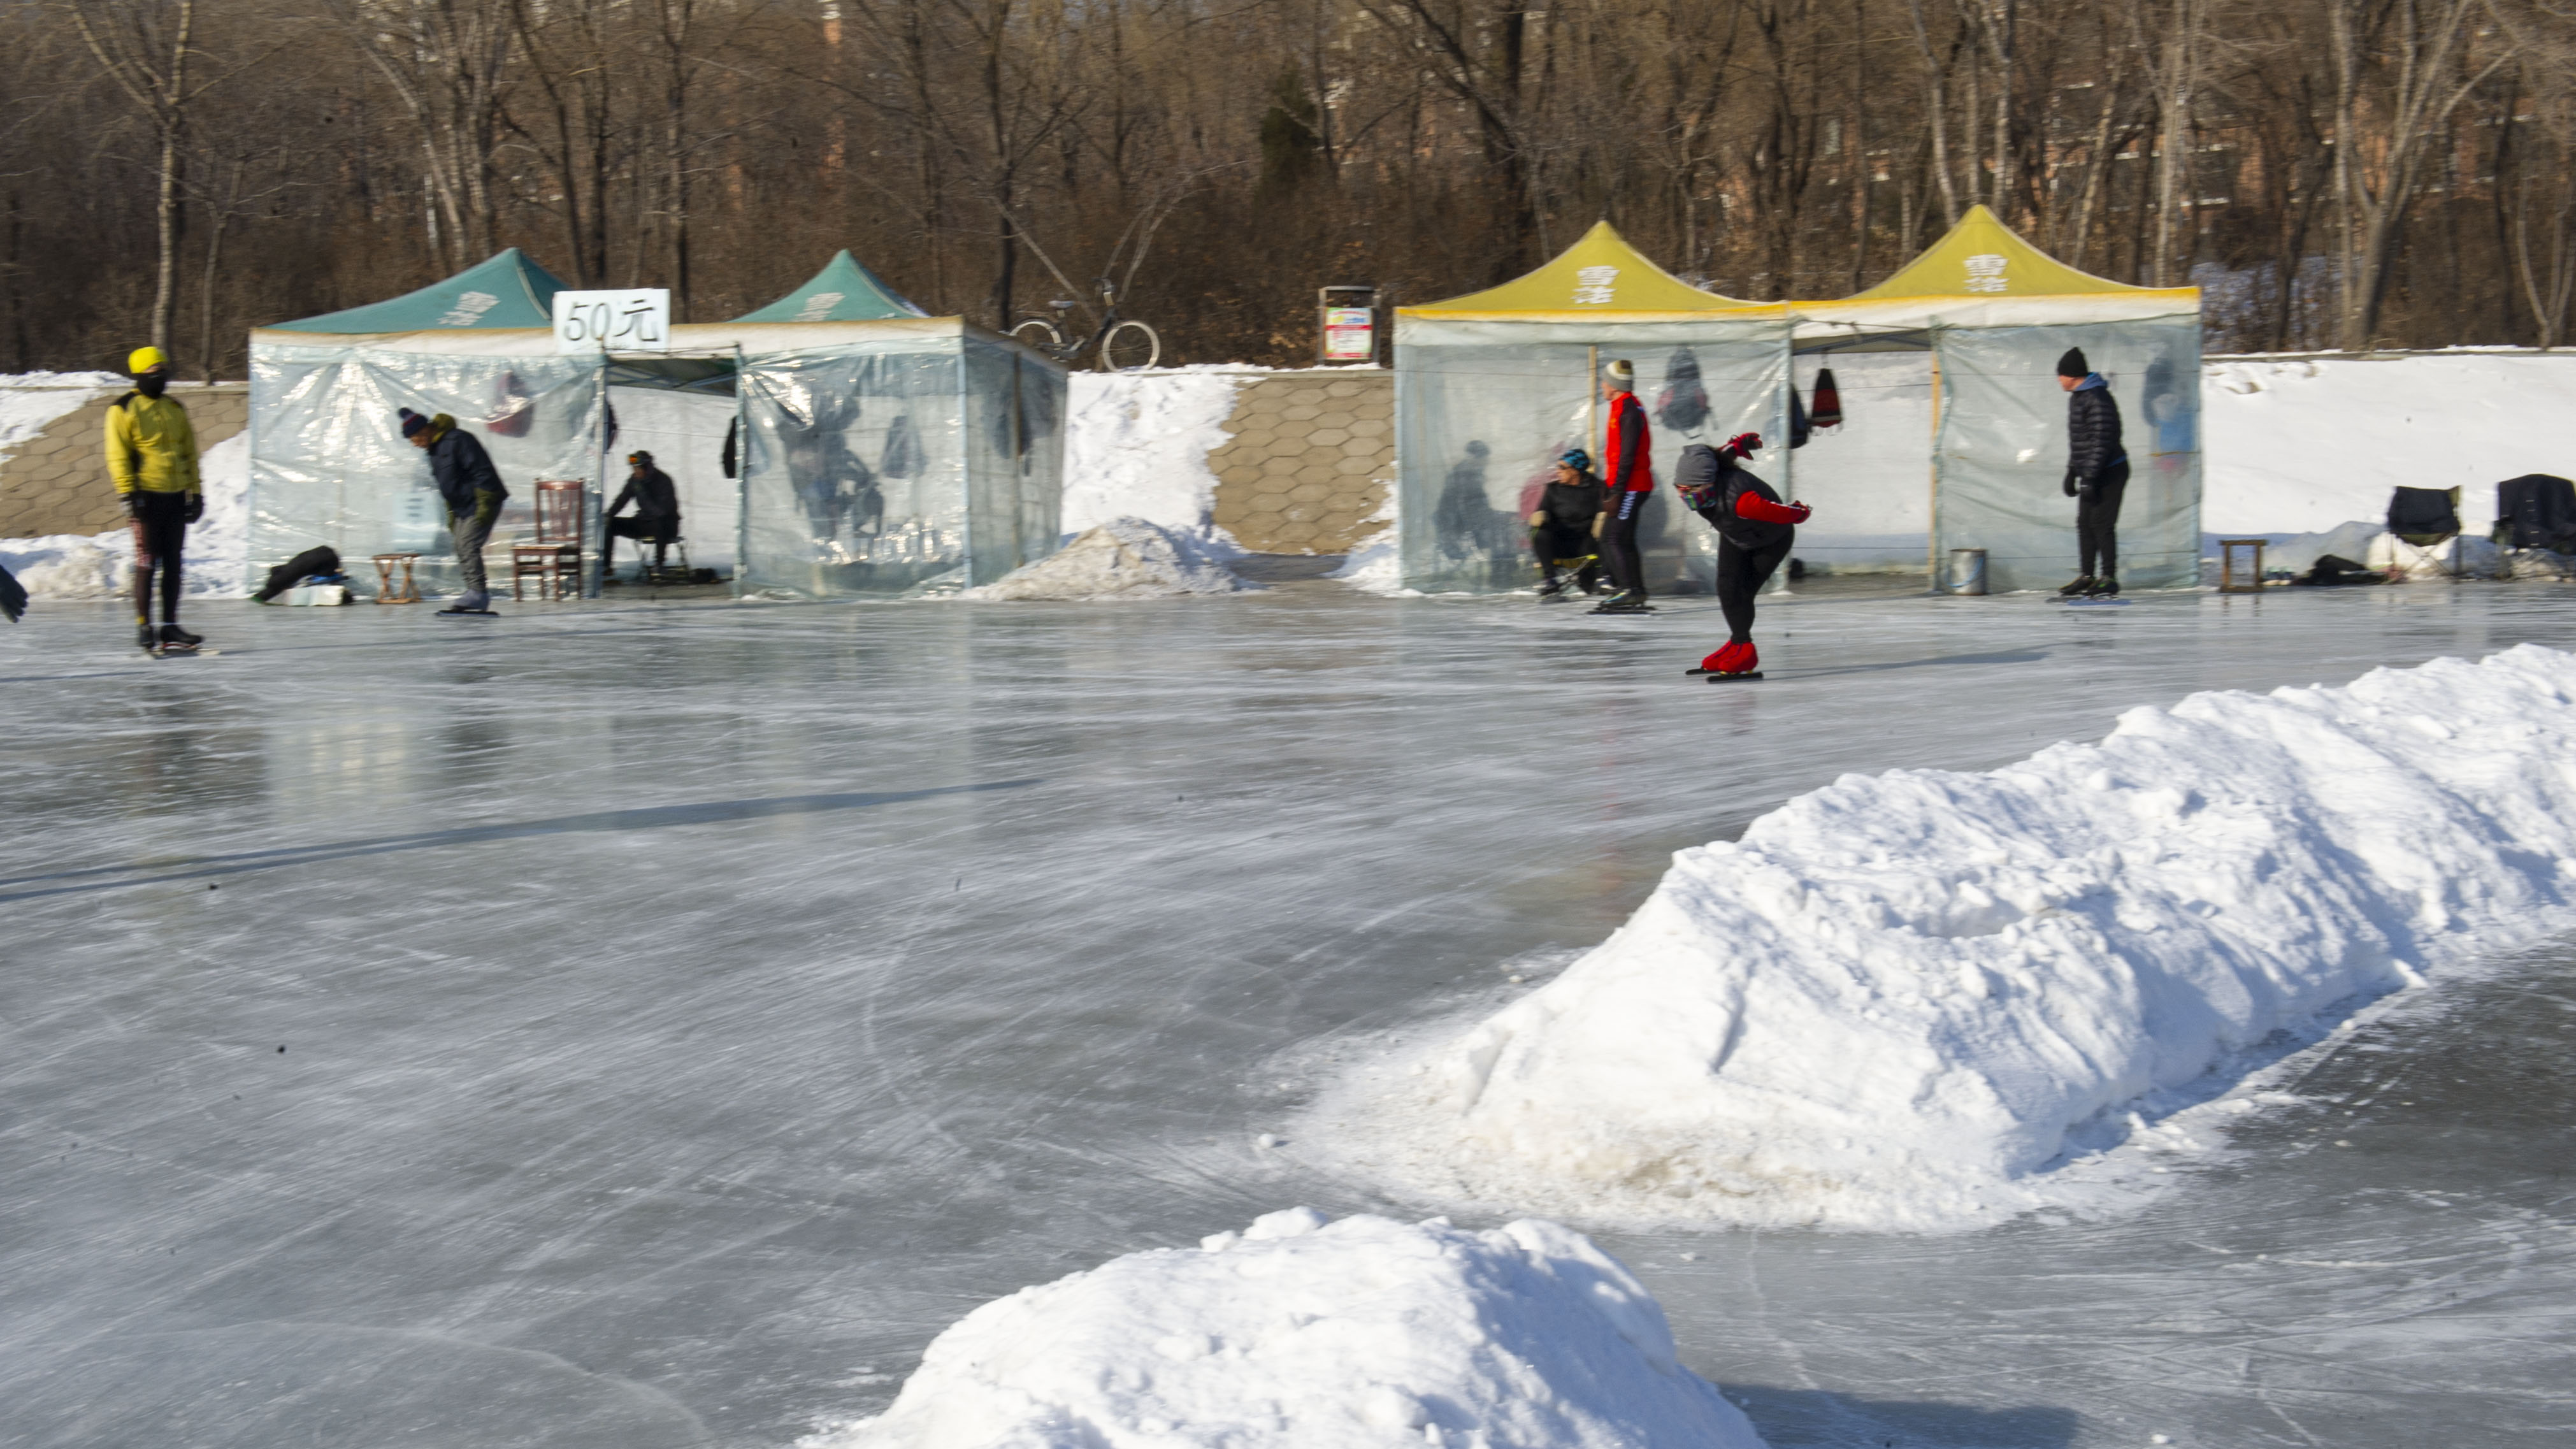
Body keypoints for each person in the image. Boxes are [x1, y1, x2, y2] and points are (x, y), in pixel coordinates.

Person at [1680, 434, 1811, 677]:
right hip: (1736, 535)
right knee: (1727, 587)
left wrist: (1798, 512)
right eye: (1681, 489)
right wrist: (1738, 445)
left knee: (1742, 592)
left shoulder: (1742, 502)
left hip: (1771, 540)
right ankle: (1736, 643)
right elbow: (1722, 455)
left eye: (1692, 489)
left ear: (1708, 482)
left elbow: (1781, 512)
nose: (1685, 495)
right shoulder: (1711, 472)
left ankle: (1744, 650)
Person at [106, 346, 204, 653]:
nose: (160, 378)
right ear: (138, 376)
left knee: (174, 564)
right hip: (146, 498)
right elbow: (118, 456)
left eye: (163, 372)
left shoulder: (175, 408)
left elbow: (189, 454)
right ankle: (144, 626)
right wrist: (128, 494)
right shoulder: (123, 409)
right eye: (153, 373)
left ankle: (170, 627)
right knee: (147, 563)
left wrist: (196, 493)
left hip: (175, 496)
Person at [400, 407, 509, 615]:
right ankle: (473, 592)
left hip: (482, 500)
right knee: (460, 545)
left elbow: (482, 470)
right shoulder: (434, 449)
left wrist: (485, 501)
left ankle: (478, 593)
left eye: (415, 439)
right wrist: (452, 509)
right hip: (462, 506)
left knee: (468, 544)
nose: (415, 444)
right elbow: (449, 483)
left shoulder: (458, 440)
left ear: (425, 431)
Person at [2057, 346, 2129, 597]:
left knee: (2102, 524)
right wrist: (2071, 471)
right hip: (2093, 470)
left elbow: (2103, 440)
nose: (2059, 379)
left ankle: (2108, 578)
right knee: (2084, 524)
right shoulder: (2079, 397)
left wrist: (2090, 476)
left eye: (2061, 374)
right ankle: (2088, 577)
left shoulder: (2097, 398)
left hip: (2110, 471)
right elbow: (2081, 441)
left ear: (2072, 375)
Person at [1594, 359, 1653, 613]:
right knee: (1622, 538)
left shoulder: (1628, 410)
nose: (1601, 385)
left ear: (1614, 385)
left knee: (1613, 537)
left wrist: (1617, 491)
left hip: (1631, 485)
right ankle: (1635, 591)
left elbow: (1627, 455)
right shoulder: (1621, 406)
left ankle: (1629, 590)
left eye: (1604, 381)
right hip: (1626, 484)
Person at [1527, 449, 1606, 598]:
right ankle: (1550, 579)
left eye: (1562, 467)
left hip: (1587, 544)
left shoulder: (1597, 488)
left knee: (1607, 530)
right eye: (1557, 467)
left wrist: (1602, 519)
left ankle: (1603, 578)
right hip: (1560, 543)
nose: (1558, 471)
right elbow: (1543, 511)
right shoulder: (1553, 489)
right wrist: (1539, 515)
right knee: (1539, 532)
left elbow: (1604, 512)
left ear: (1576, 470)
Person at [603, 449, 682, 580]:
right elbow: (622, 499)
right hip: (643, 522)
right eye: (634, 469)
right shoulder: (634, 481)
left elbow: (661, 512)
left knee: (659, 524)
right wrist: (609, 515)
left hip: (667, 525)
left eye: (638, 469)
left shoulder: (664, 481)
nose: (636, 472)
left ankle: (659, 564)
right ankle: (606, 566)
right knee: (610, 523)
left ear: (647, 468)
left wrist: (642, 494)